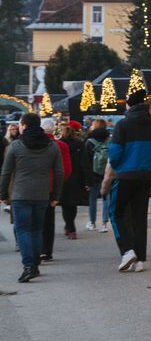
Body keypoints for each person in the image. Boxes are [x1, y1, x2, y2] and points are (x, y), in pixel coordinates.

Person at [0, 113, 63, 282]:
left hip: (20, 194)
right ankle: (35, 262)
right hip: (42, 194)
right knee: (36, 229)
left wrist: (3, 194)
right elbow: (58, 172)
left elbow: (6, 172)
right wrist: (56, 195)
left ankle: (29, 266)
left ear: (25, 125)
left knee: (23, 230)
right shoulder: (52, 146)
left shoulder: (15, 146)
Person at [108, 89, 151, 273]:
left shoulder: (122, 125)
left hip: (125, 175)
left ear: (130, 105)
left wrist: (119, 165)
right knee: (140, 217)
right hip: (145, 175)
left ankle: (127, 251)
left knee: (116, 213)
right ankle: (139, 260)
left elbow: (115, 153)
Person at [40, 118, 70, 261]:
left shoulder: (34, 144)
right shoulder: (61, 146)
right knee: (48, 220)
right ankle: (47, 250)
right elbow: (66, 169)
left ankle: (38, 249)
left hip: (35, 187)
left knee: (35, 220)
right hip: (52, 187)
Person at [59, 121, 87, 239]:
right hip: (76, 177)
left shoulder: (59, 145)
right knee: (72, 205)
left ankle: (70, 227)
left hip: (63, 177)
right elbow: (84, 163)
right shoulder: (80, 145)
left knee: (66, 205)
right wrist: (87, 180)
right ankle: (70, 228)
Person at [83, 119, 111, 232]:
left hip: (93, 174)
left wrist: (86, 179)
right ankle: (104, 223)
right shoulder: (110, 140)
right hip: (107, 173)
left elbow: (85, 162)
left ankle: (92, 222)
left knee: (92, 199)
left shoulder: (89, 142)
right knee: (106, 198)